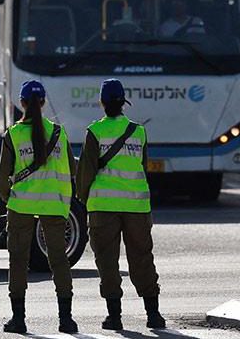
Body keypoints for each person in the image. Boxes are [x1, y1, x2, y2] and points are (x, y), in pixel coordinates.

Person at [76, 79, 166, 330]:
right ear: (124, 103)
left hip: (103, 206)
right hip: (137, 206)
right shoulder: (139, 132)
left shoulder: (95, 132)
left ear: (102, 103)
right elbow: (144, 167)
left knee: (107, 260)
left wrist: (84, 199)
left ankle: (114, 316)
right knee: (142, 258)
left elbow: (85, 172)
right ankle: (153, 314)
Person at [0, 80, 78, 334]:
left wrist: (10, 199)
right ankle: (66, 320)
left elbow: (1, 177)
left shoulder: (13, 134)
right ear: (42, 103)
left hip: (21, 206)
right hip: (54, 205)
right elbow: (72, 169)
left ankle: (18, 319)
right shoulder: (58, 133)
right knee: (58, 260)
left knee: (18, 260)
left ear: (21, 103)